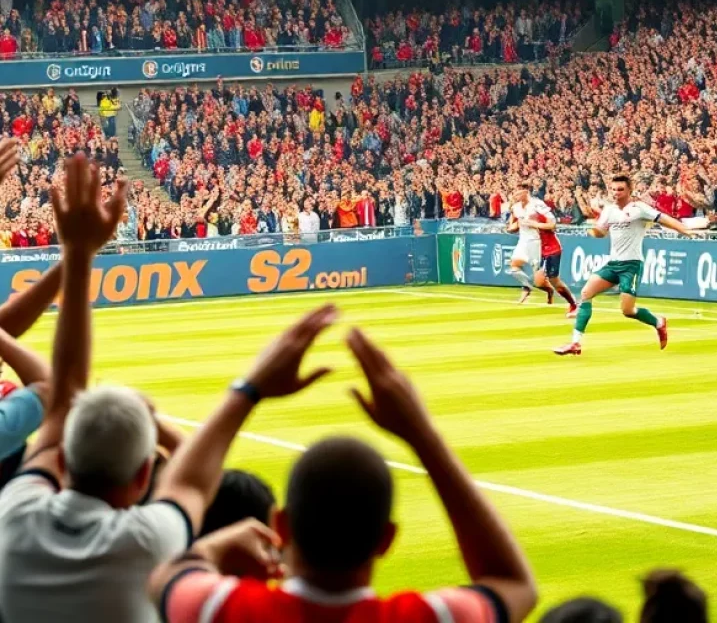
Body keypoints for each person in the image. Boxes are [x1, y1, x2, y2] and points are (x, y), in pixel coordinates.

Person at [0, 151, 339, 623]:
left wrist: (251, 389)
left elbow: (62, 402)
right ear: (143, 475)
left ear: (63, 458)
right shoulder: (145, 544)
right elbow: (193, 483)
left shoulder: (14, 512)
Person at [150, 327, 538, 623]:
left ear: (280, 526)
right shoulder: (428, 617)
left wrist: (248, 390)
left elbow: (168, 553)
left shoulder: (221, 608)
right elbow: (514, 584)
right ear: (386, 540)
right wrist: (422, 435)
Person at [554, 175, 694, 356]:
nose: (616, 193)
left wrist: (685, 230)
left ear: (629, 190)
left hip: (631, 265)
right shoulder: (609, 210)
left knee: (627, 310)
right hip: (613, 263)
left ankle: (659, 322)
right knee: (586, 293)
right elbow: (601, 232)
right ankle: (575, 343)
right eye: (613, 189)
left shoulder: (639, 209)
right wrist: (593, 230)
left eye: (620, 190)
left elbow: (664, 219)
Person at [531, 201, 578, 316]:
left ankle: (574, 305)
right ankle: (550, 291)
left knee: (554, 280)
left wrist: (535, 224)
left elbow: (552, 226)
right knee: (538, 281)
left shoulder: (541, 215)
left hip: (552, 249)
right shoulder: (524, 216)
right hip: (541, 251)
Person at [506, 185, 549, 303]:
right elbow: (516, 221)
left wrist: (538, 224)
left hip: (536, 241)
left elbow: (548, 219)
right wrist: (511, 227)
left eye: (519, 192)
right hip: (523, 240)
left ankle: (549, 290)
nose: (516, 195)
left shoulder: (537, 204)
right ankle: (527, 287)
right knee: (514, 265)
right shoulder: (516, 207)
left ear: (526, 192)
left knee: (538, 278)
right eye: (516, 192)